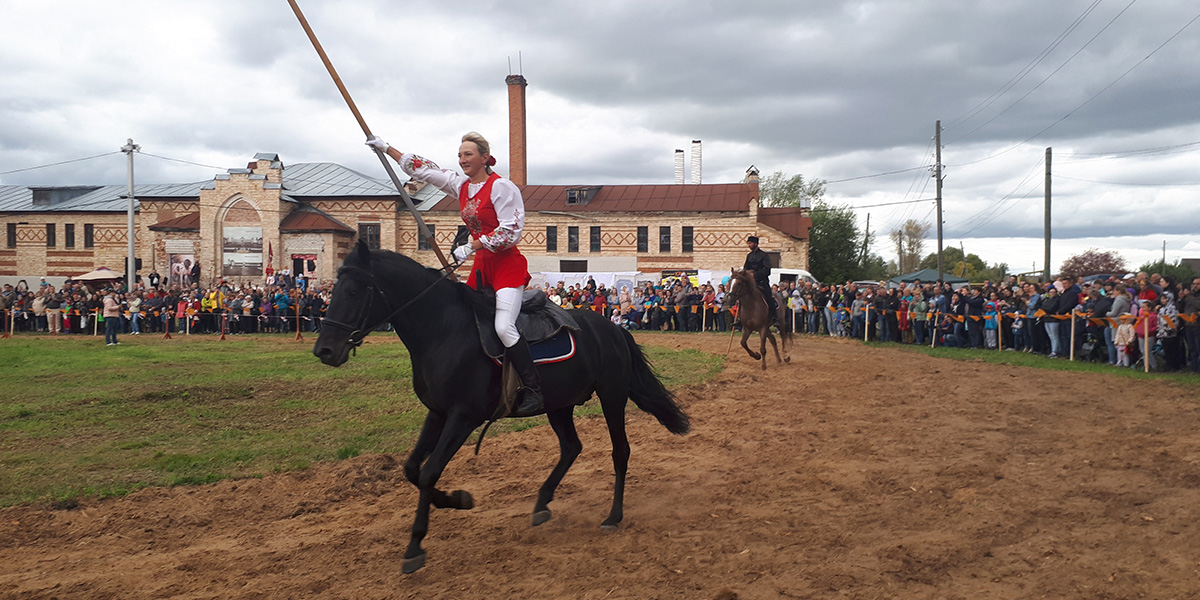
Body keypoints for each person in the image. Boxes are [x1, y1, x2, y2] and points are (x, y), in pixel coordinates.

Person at [369, 131, 543, 415]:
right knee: (464, 323)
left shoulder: (502, 188)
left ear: (485, 157)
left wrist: (473, 244)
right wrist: (388, 149)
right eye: (460, 155)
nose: (462, 160)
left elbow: (511, 231)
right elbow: (426, 171)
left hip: (506, 266)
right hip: (482, 266)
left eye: (469, 154)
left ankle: (534, 388)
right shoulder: (461, 185)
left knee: (503, 327)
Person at [742, 235, 776, 321]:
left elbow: (767, 270)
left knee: (769, 297)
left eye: (750, 243)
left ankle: (774, 317)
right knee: (741, 297)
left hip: (761, 282)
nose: (749, 245)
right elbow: (746, 268)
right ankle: (741, 318)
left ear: (756, 244)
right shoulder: (749, 256)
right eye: (748, 243)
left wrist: (755, 275)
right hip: (750, 284)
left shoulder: (764, 256)